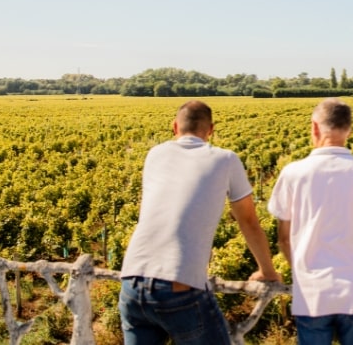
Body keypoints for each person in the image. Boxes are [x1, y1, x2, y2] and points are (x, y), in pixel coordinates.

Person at [118, 100, 281, 345]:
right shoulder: (226, 160)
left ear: (174, 127)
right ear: (211, 130)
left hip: (132, 279)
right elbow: (247, 220)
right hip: (178, 283)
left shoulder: (155, 154)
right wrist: (267, 271)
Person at [267, 98, 353, 345]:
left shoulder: (293, 173)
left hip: (312, 295)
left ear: (314, 127)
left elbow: (283, 239)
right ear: (349, 130)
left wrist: (301, 272)